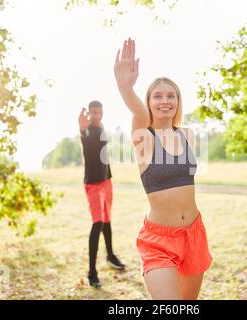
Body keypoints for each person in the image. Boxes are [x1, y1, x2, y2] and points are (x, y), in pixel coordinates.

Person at [113, 38, 212, 300]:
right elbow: (139, 112)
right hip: (159, 241)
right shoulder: (143, 137)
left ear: (178, 101)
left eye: (171, 96)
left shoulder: (187, 135)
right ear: (148, 101)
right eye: (157, 96)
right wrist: (125, 88)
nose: (165, 101)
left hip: (193, 234)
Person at [78, 100, 125, 288]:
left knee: (107, 220)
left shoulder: (101, 128)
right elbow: (86, 143)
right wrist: (83, 130)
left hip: (106, 181)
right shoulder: (87, 131)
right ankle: (92, 272)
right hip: (94, 184)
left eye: (99, 112)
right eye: (93, 113)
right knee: (97, 224)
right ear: (89, 114)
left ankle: (111, 256)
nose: (97, 115)